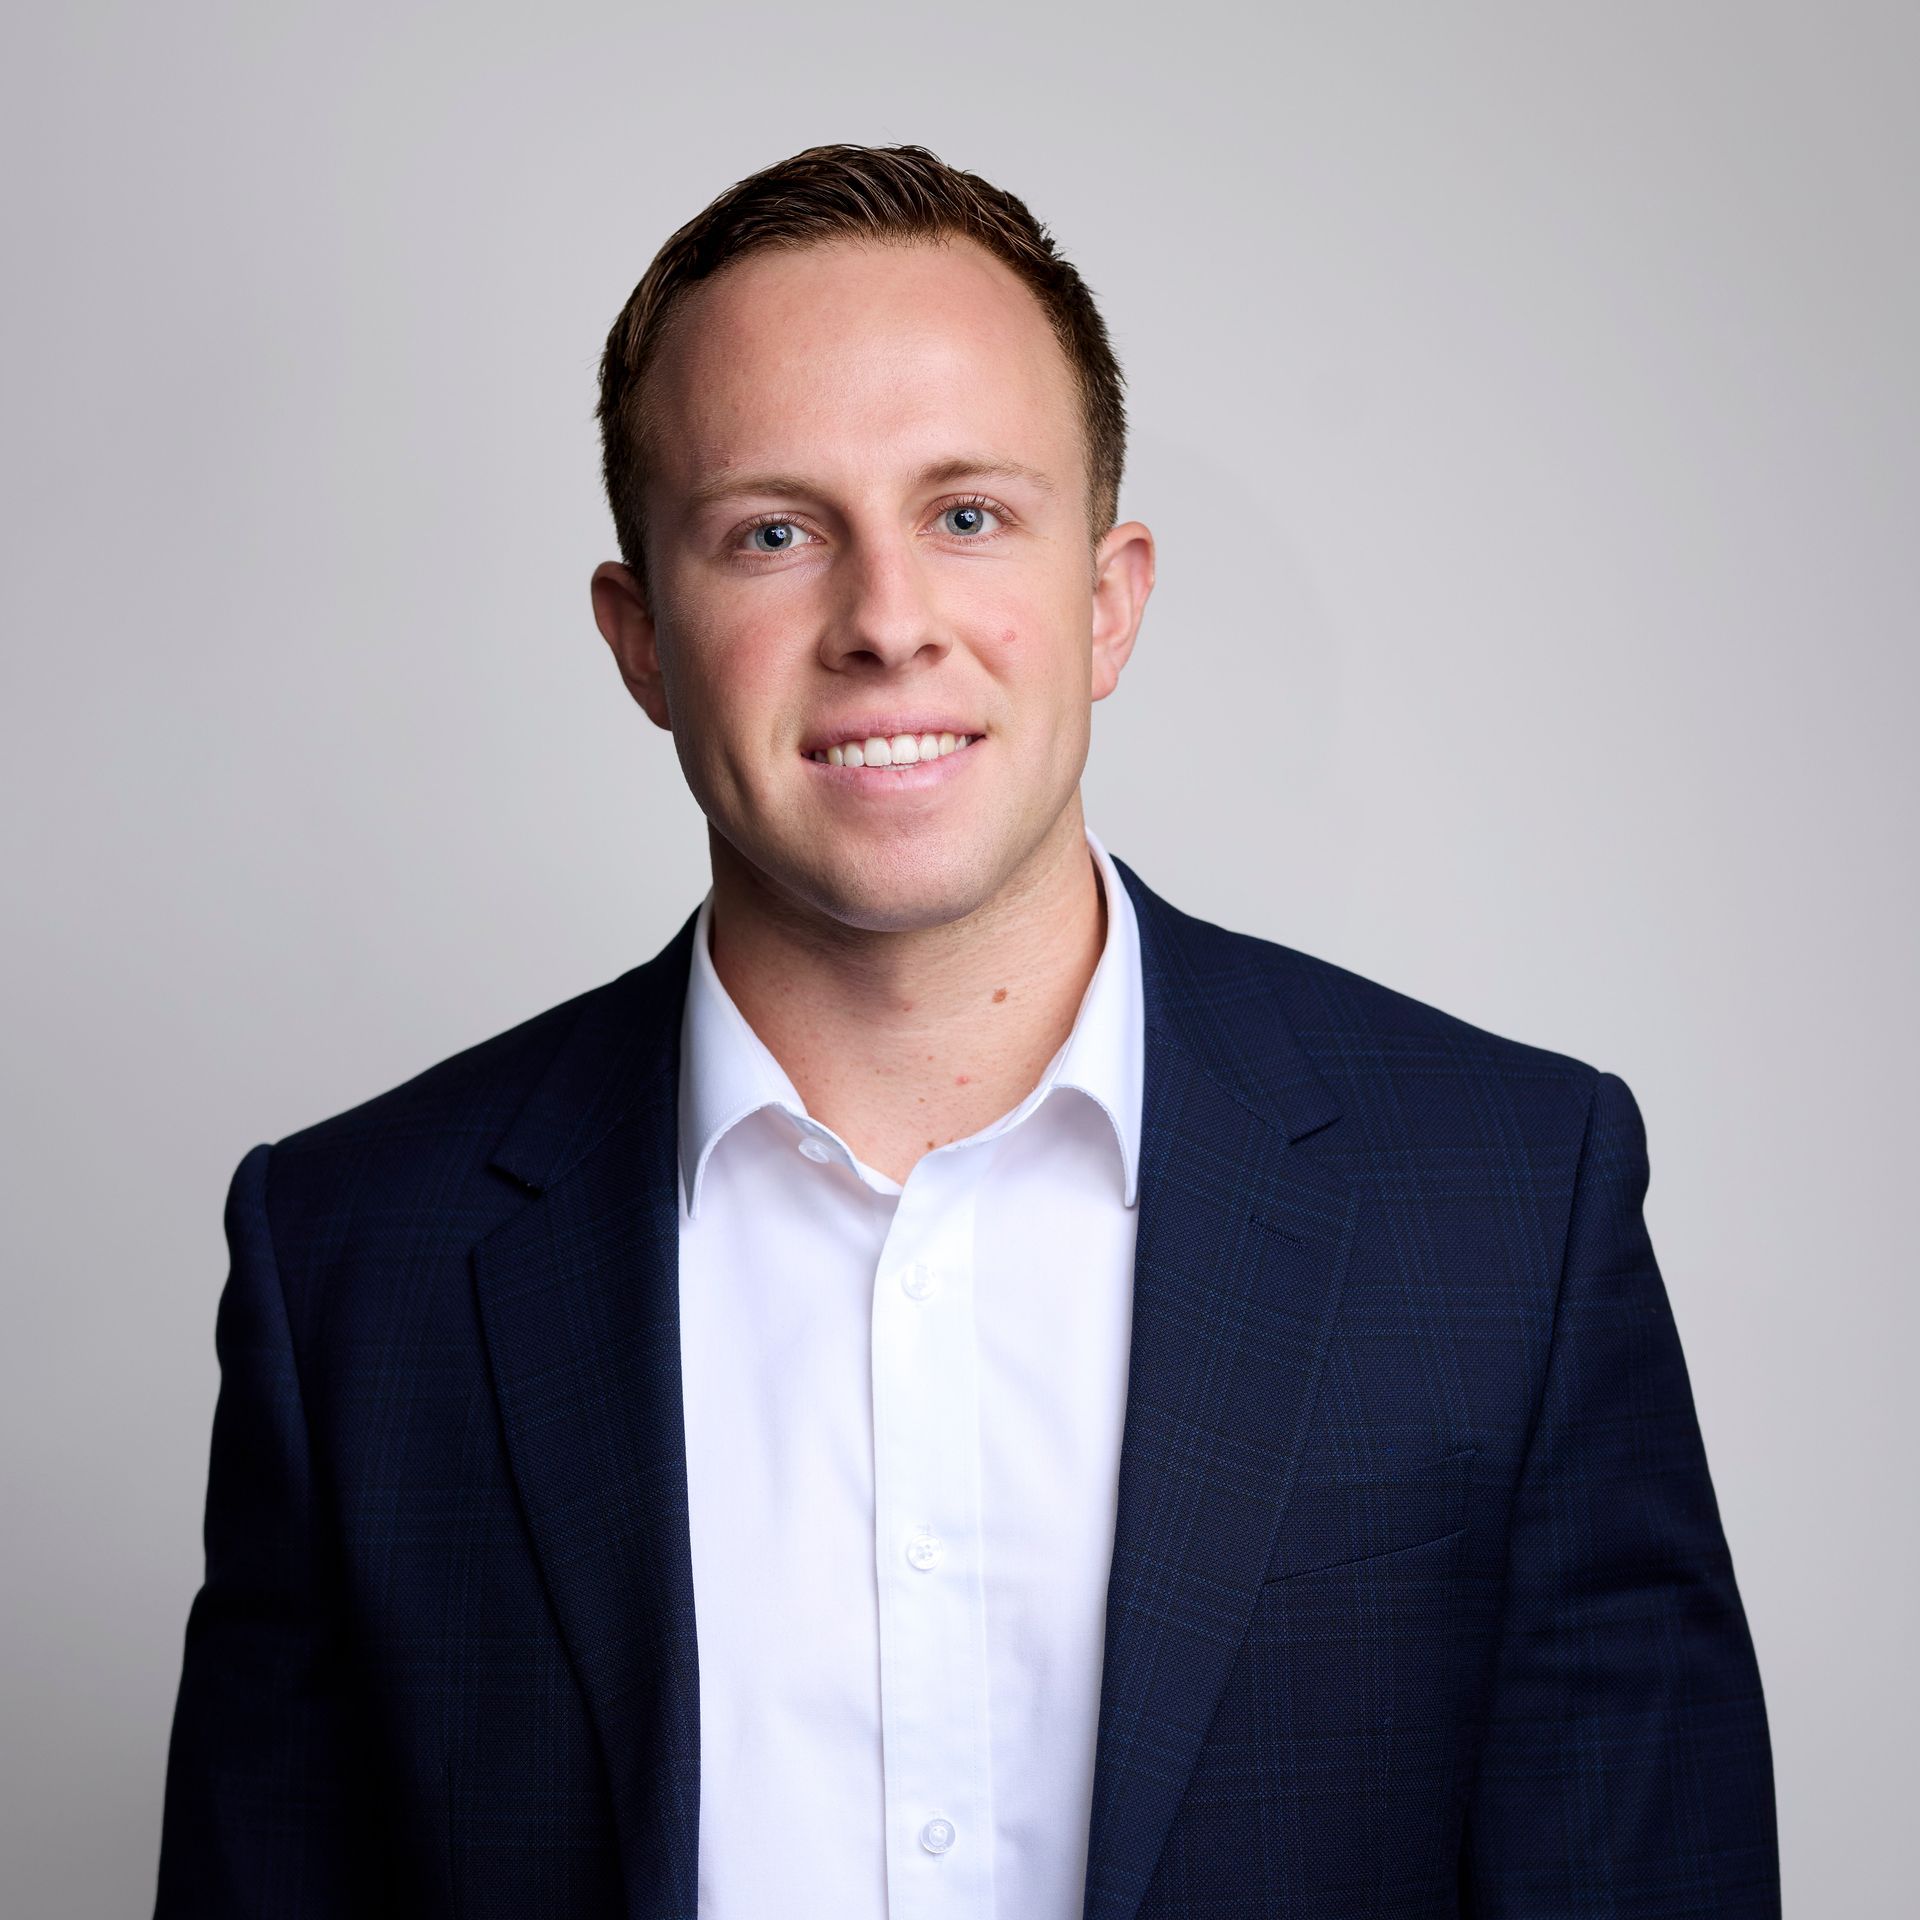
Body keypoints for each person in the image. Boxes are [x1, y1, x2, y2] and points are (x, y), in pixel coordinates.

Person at [153, 143, 1780, 1919]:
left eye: (969, 515)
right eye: (773, 532)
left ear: (1109, 600)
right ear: (639, 642)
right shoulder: (352, 1267)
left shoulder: (1506, 1206)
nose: (884, 623)